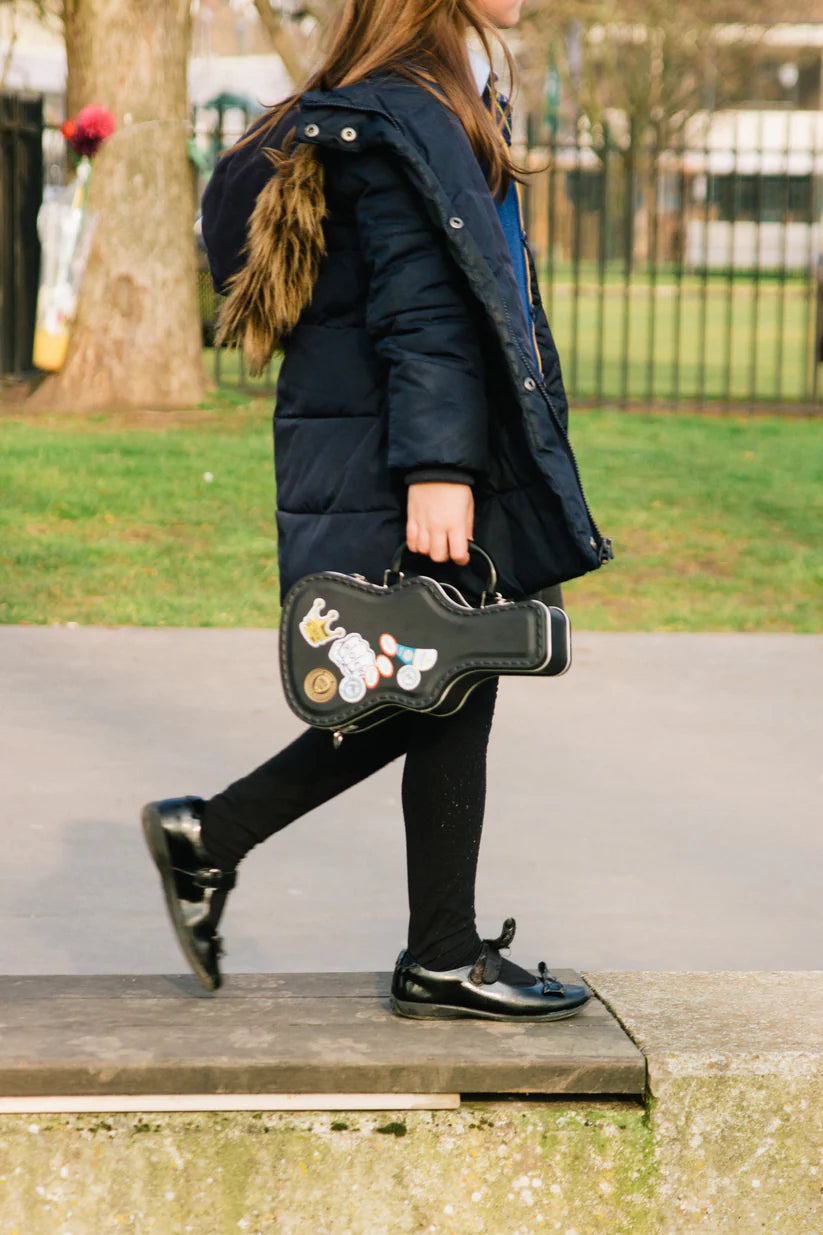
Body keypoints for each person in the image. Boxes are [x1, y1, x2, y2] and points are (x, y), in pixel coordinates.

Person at [141, 0, 612, 1021]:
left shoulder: (418, 100)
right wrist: (439, 466)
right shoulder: (407, 108)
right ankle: (227, 844)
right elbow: (420, 305)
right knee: (441, 671)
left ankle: (416, 937)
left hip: (416, 444)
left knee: (449, 673)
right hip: (413, 455)